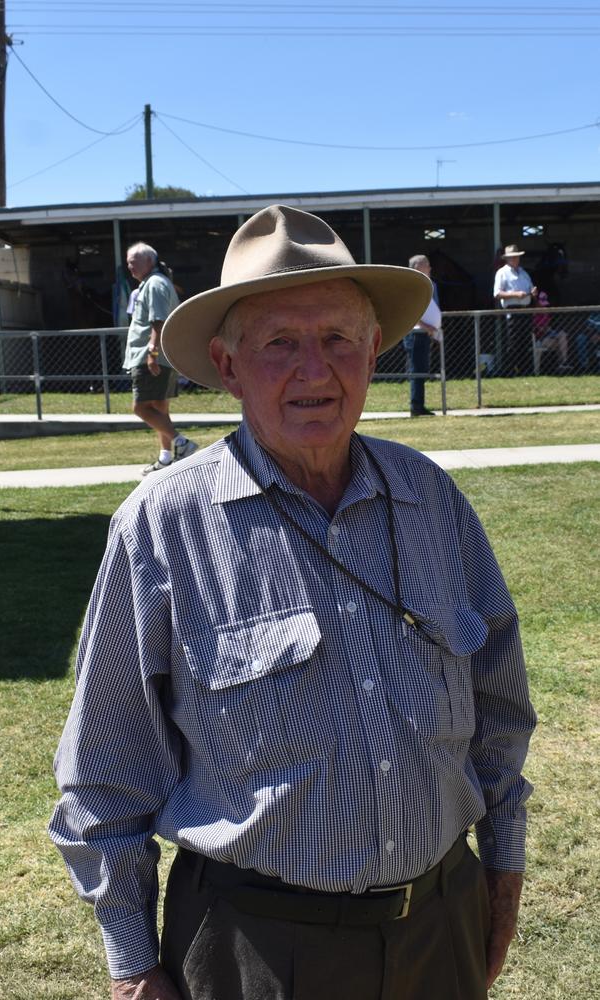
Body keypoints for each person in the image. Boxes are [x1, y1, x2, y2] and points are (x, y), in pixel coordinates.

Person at [50, 206, 536, 1000]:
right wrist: (134, 967)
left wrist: (503, 872)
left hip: (441, 924)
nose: (317, 370)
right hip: (258, 951)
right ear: (227, 364)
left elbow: (499, 707)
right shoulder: (163, 525)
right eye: (280, 343)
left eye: (340, 339)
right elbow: (108, 771)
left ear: (374, 351)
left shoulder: (431, 498)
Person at [124, 242, 197, 474]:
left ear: (149, 262)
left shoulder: (154, 284)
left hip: (151, 355)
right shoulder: (156, 283)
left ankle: (182, 443)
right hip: (161, 356)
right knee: (159, 408)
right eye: (128, 263)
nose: (130, 267)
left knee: (140, 407)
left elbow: (158, 320)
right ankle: (165, 458)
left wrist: (152, 353)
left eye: (133, 262)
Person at [402, 254, 441, 416]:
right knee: (416, 370)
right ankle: (416, 406)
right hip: (415, 334)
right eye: (426, 265)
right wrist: (427, 326)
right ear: (417, 267)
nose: (430, 268)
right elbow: (410, 313)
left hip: (426, 334)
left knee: (422, 369)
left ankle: (420, 404)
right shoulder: (411, 285)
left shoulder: (431, 285)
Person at [493, 244, 537, 376]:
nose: (514, 259)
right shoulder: (502, 273)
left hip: (525, 310)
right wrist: (515, 294)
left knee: (526, 341)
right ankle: (510, 371)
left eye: (516, 257)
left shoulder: (524, 273)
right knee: (513, 342)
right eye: (511, 257)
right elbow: (497, 293)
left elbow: (530, 289)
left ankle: (526, 371)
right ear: (507, 259)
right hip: (512, 311)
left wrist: (533, 292)